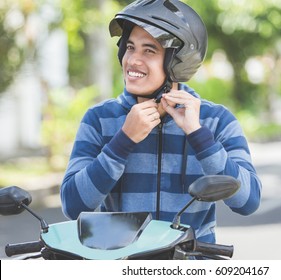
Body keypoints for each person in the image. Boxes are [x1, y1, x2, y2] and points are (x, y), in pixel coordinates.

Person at [60, 0, 262, 243]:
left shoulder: (216, 121)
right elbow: (72, 205)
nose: (133, 60)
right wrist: (122, 141)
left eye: (149, 50)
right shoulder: (99, 119)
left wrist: (197, 135)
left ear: (178, 62)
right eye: (130, 47)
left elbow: (248, 202)